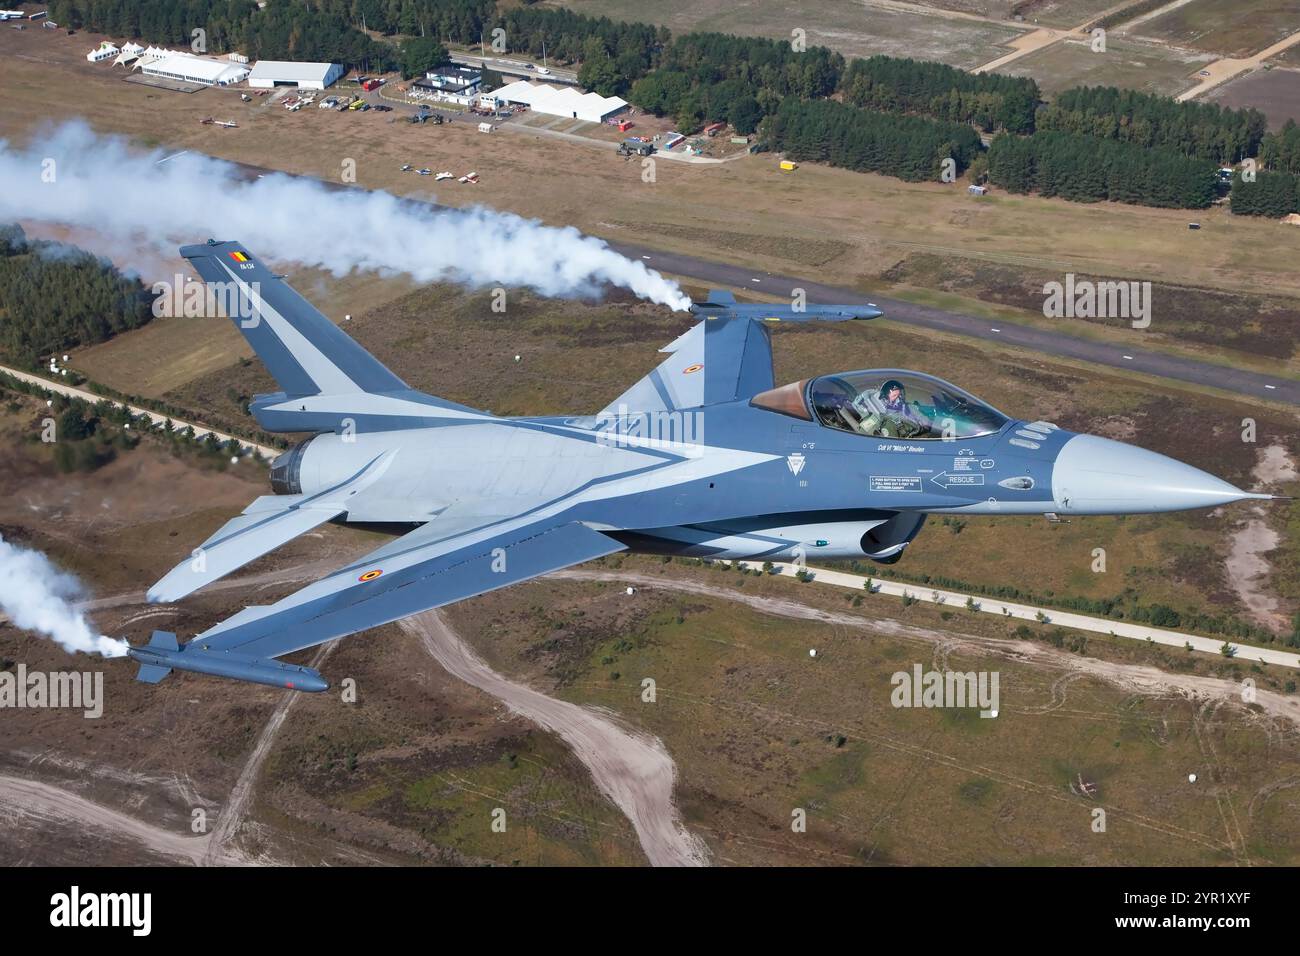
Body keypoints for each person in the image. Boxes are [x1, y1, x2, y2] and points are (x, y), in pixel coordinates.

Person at [860, 379, 930, 438]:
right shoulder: (881, 416)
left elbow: (926, 421)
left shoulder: (908, 407)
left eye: (900, 395)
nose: (899, 399)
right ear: (885, 398)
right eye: (894, 396)